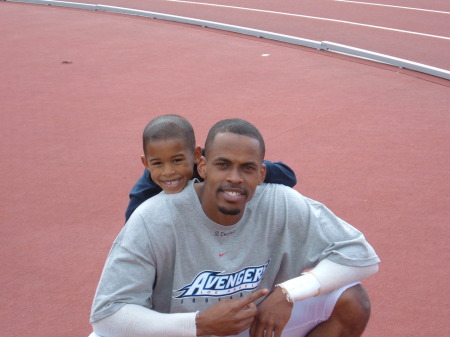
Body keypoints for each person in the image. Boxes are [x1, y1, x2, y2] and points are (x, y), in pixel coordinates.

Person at [90, 118, 380, 337]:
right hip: (180, 330)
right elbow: (106, 315)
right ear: (201, 166)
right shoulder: (152, 217)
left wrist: (288, 292)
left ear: (261, 173)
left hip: (252, 326)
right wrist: (199, 323)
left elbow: (361, 256)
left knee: (350, 299)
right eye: (223, 165)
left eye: (247, 168)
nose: (235, 178)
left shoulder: (280, 202)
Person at [124, 115, 297, 221]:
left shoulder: (216, 161)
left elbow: (288, 175)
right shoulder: (145, 188)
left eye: (177, 161)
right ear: (146, 163)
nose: (168, 172)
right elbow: (132, 228)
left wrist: (251, 170)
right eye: (157, 164)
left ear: (197, 157)